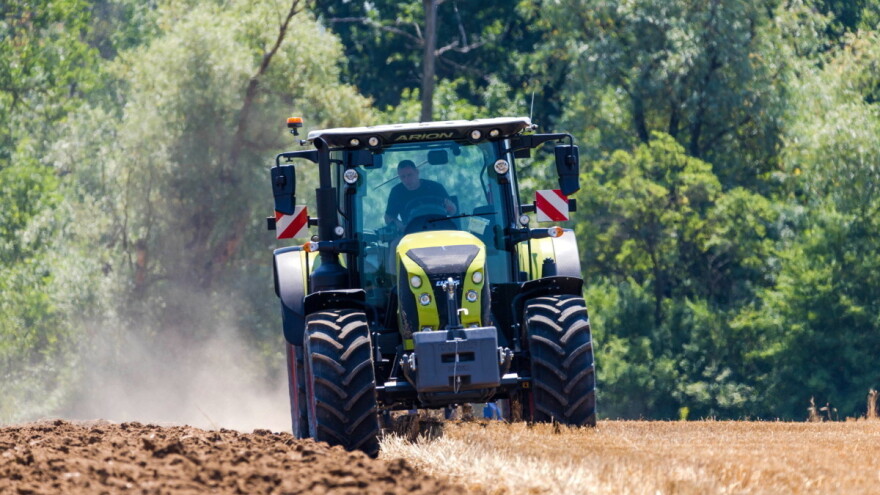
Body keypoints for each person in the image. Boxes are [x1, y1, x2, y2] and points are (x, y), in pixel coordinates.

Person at [384, 159, 456, 231]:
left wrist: (451, 208)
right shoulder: (396, 192)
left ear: (417, 172)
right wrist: (401, 226)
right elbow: (389, 217)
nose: (407, 180)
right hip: (411, 232)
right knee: (395, 243)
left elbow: (451, 210)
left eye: (410, 175)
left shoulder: (436, 187)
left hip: (440, 229)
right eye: (403, 177)